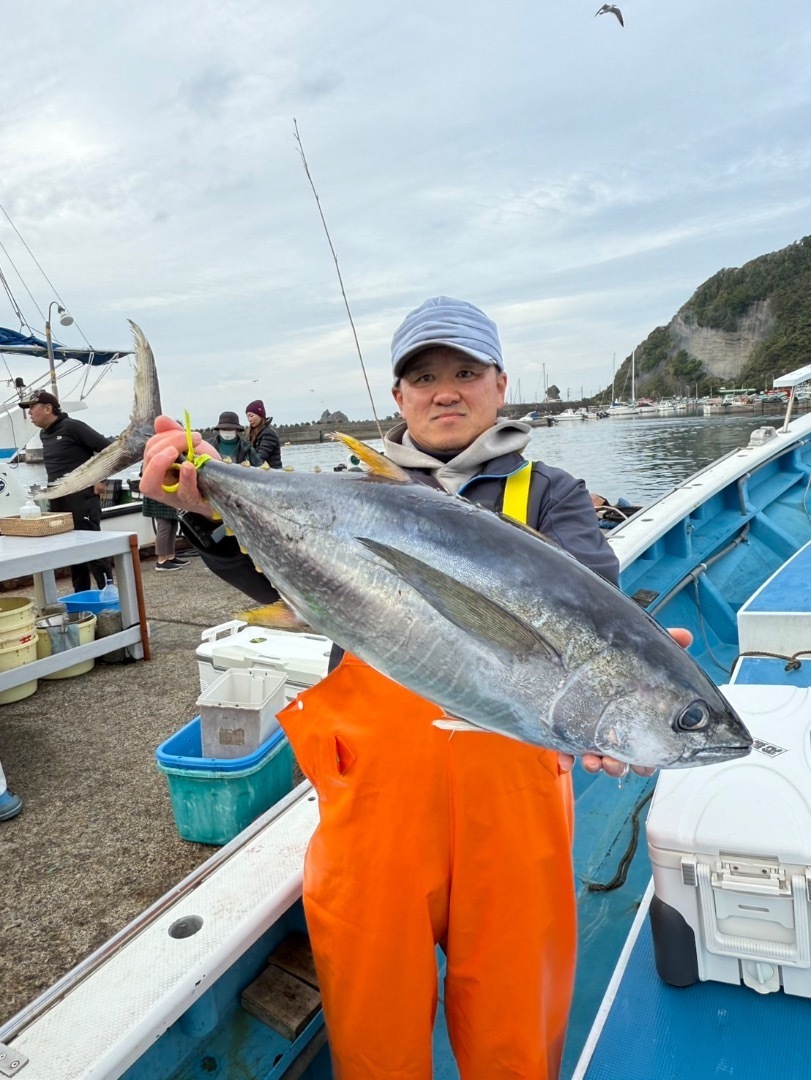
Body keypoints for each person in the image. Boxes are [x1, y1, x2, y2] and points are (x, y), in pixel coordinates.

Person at [141, 296, 689, 1080]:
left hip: (512, 803)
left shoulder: (552, 494)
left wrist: (626, 679)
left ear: (500, 384)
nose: (445, 391)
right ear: (398, 397)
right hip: (375, 804)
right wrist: (205, 512)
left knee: (514, 1028)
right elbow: (278, 578)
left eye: (465, 372)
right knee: (375, 1025)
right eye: (424, 377)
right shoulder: (348, 491)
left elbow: (588, 600)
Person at [19, 389, 113, 593]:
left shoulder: (73, 426)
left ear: (47, 408)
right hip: (59, 499)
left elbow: (108, 449)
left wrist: (100, 478)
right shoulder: (44, 434)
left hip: (82, 497)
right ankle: (81, 597)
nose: (29, 413)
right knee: (71, 550)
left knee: (92, 548)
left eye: (32, 408)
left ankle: (109, 595)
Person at [141, 493, 188, 571]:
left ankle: (170, 557)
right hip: (158, 497)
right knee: (164, 528)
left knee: (173, 527)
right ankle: (161, 561)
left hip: (168, 496)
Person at [245, 399, 282, 468]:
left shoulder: (268, 434)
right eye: (247, 416)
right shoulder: (253, 434)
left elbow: (259, 458)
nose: (249, 419)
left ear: (260, 415)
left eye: (251, 416)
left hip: (272, 472)